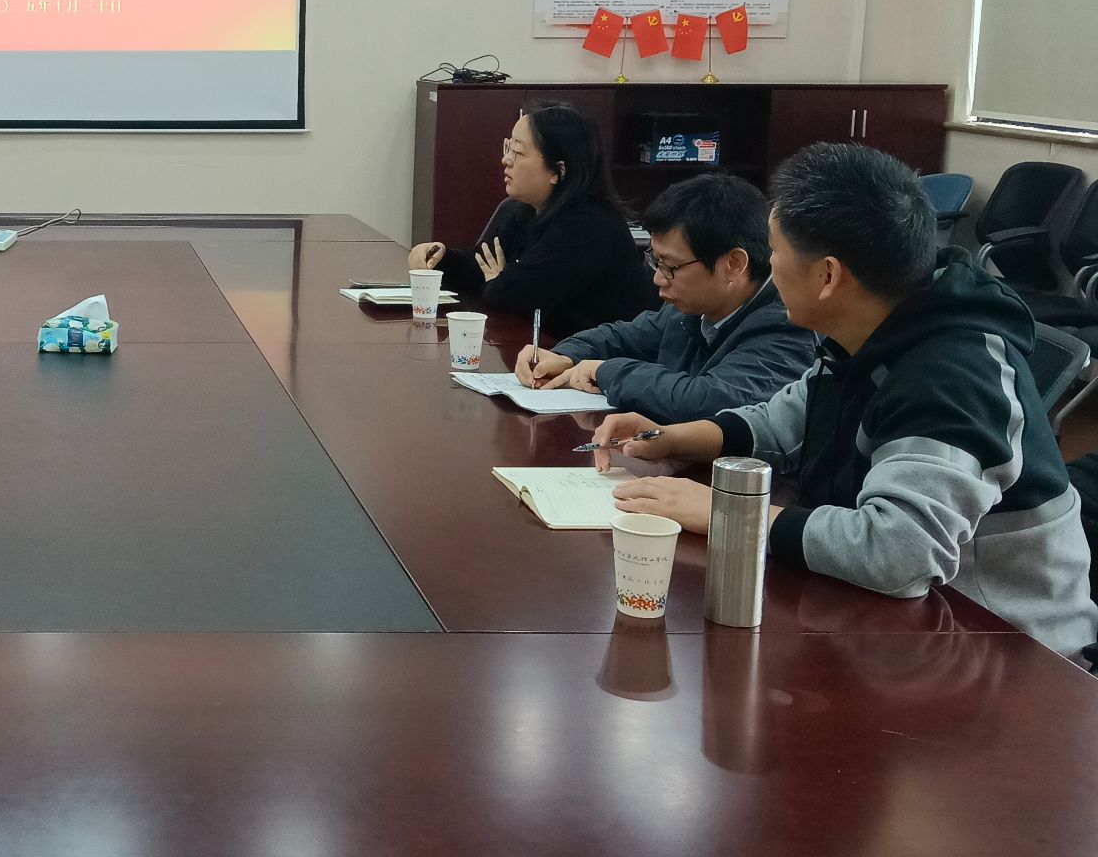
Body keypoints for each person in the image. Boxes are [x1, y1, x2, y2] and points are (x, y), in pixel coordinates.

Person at [594, 142, 1098, 664]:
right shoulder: (875, 324)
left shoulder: (952, 374)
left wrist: (728, 515)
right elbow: (784, 421)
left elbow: (898, 552)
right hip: (901, 628)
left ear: (828, 276)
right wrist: (673, 438)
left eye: (776, 252)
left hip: (1006, 650)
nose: (768, 268)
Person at [511, 173, 814, 417]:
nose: (658, 278)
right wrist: (566, 355)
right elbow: (622, 337)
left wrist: (604, 371)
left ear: (733, 264)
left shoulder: (787, 325)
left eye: (671, 266)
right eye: (656, 262)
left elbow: (706, 400)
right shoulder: (690, 309)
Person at [409, 101, 656, 338]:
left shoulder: (588, 226)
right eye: (508, 147)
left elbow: (514, 297)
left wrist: (500, 281)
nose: (506, 160)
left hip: (597, 359)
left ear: (558, 171)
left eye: (517, 152)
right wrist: (441, 258)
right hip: (546, 348)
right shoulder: (523, 209)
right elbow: (483, 266)